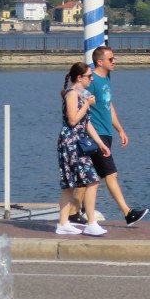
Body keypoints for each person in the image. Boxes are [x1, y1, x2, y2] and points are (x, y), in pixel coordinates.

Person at [75, 45, 148, 226]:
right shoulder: (92, 80)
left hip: (106, 134)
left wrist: (120, 129)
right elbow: (76, 95)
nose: (114, 61)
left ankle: (73, 212)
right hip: (94, 135)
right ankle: (127, 213)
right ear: (100, 62)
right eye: (111, 59)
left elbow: (109, 105)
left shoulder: (106, 78)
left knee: (89, 178)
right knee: (110, 173)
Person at [56, 62, 109, 236]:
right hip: (71, 143)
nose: (91, 79)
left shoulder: (82, 94)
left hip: (78, 142)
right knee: (90, 180)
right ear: (79, 77)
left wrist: (100, 143)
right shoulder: (72, 94)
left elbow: (86, 123)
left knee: (73, 184)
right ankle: (90, 222)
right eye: (89, 76)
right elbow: (72, 120)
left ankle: (63, 223)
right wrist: (86, 104)